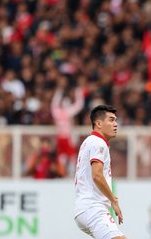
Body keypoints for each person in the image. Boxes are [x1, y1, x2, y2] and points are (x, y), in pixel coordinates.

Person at [73, 105, 126, 239]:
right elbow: (97, 175)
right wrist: (113, 200)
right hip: (93, 208)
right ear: (98, 123)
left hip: (85, 208)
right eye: (111, 120)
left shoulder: (89, 141)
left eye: (115, 121)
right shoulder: (98, 143)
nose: (115, 124)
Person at [51, 86, 85, 176]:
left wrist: (58, 95)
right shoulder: (67, 111)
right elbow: (79, 105)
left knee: (64, 155)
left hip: (62, 136)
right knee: (70, 156)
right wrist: (78, 93)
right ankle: (68, 173)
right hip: (67, 137)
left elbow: (53, 105)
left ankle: (65, 172)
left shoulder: (58, 112)